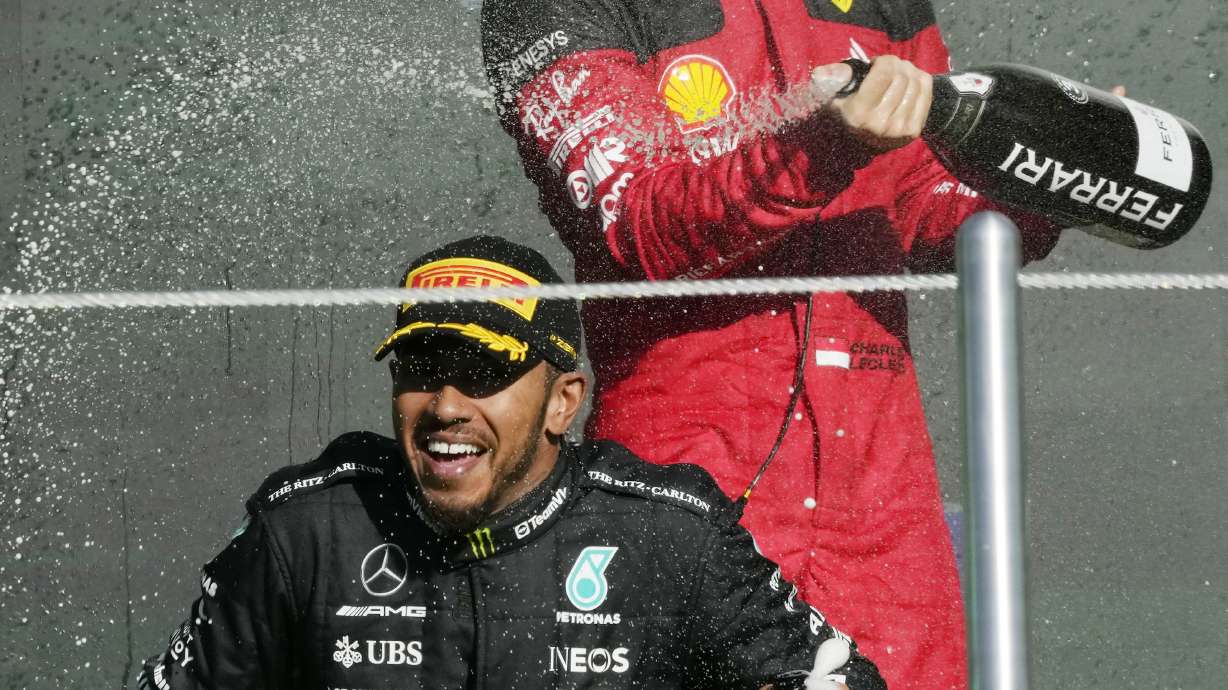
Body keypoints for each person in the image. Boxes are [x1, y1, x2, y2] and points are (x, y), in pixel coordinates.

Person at [479, 3, 1078, 688]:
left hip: (884, 516)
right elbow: (638, 223)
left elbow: (914, 206)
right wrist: (826, 145)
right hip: (686, 501)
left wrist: (1052, 182)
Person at [138, 235, 887, 690]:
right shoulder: (308, 528)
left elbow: (836, 676)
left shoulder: (666, 530)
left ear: (564, 401)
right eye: (421, 368)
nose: (444, 406)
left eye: (484, 371)